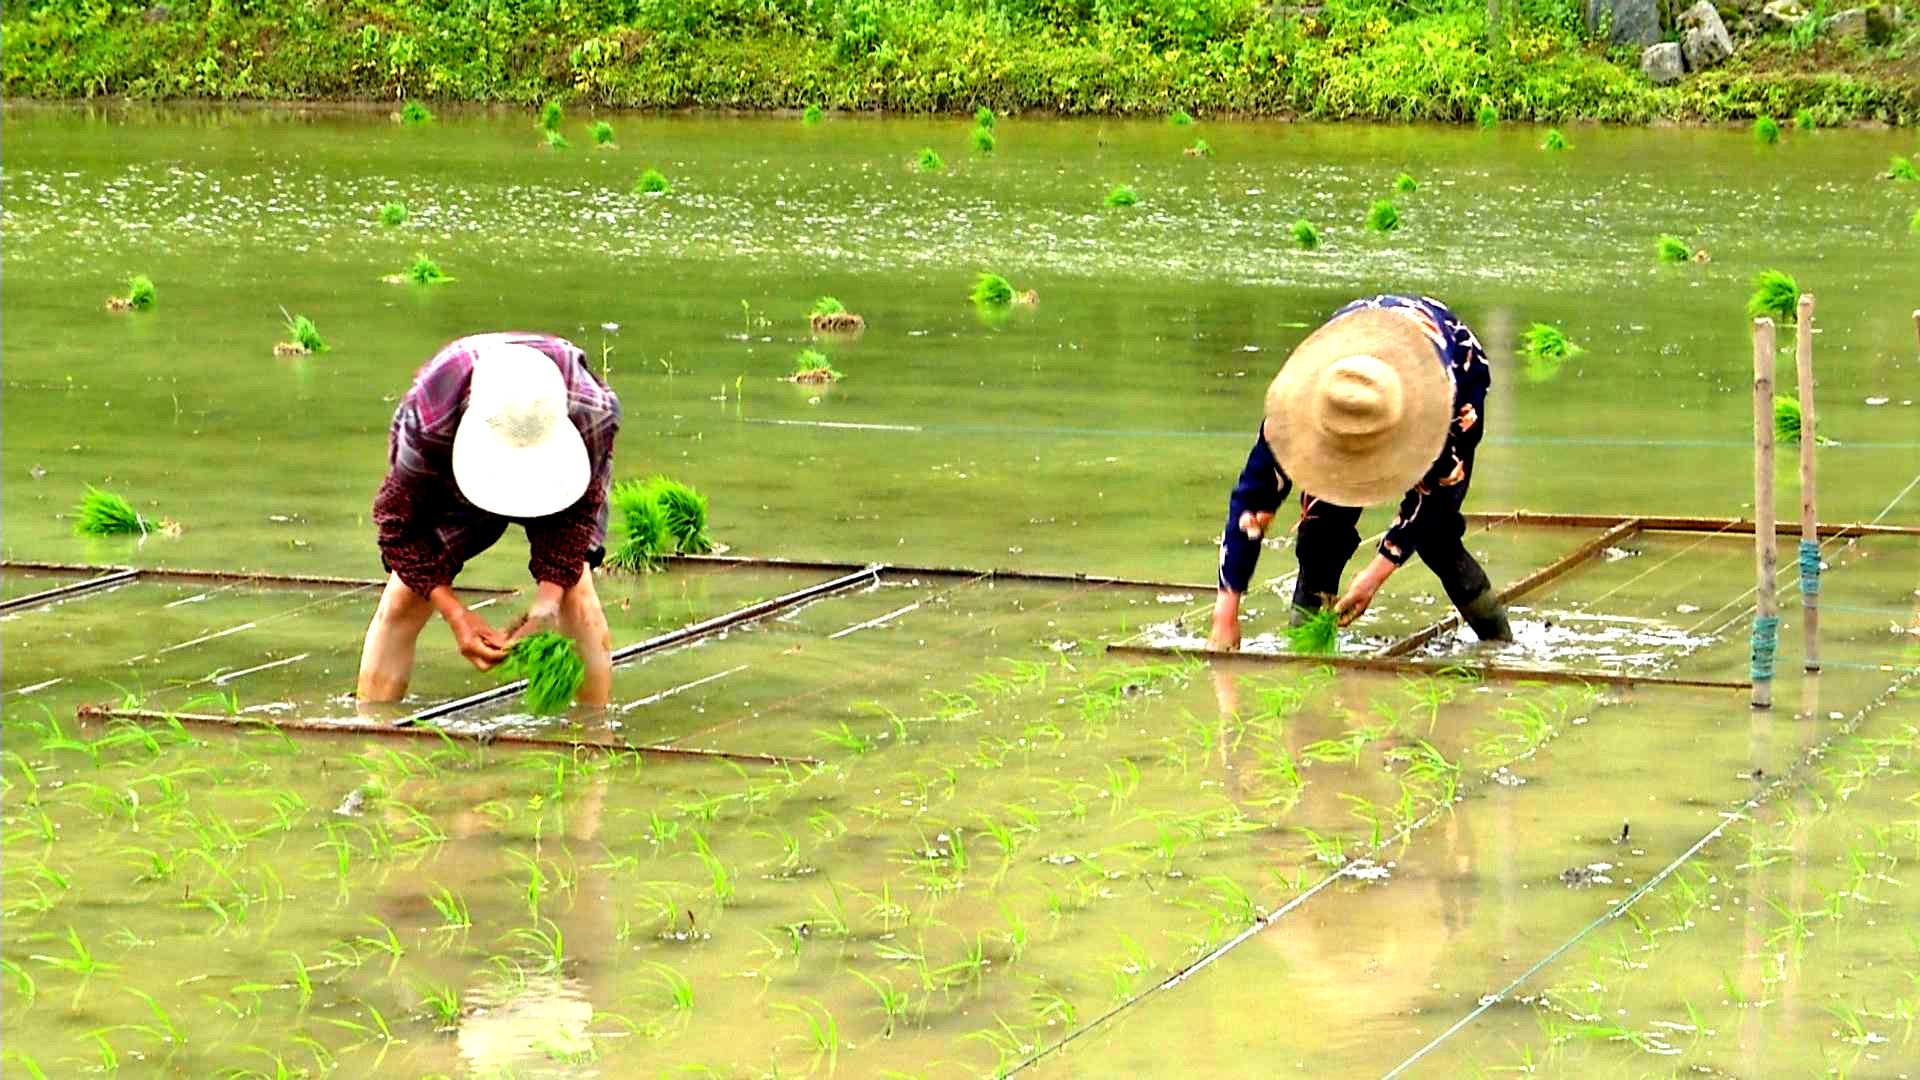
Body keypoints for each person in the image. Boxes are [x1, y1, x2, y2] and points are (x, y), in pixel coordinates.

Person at [1209, 295, 1512, 650]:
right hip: (1353, 356)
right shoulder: (1305, 406)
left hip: (1450, 366)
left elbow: (1432, 505)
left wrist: (1373, 577)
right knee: (1320, 537)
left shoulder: (1450, 408)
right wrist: (1225, 614)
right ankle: (1306, 652)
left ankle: (1500, 646)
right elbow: (1252, 502)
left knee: (1437, 539)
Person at [356, 332, 622, 706]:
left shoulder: (589, 411)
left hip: (556, 467)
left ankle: (593, 741)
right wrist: (455, 613)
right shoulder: (431, 419)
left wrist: (546, 603)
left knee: (574, 591)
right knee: (406, 594)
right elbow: (399, 529)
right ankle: (373, 735)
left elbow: (576, 518)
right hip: (454, 461)